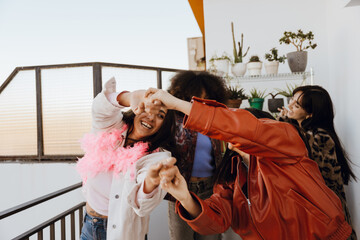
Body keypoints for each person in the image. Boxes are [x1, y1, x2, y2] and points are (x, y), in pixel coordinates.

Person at [145, 84, 353, 240]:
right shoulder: (232, 175)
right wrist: (184, 196)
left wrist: (178, 104)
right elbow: (217, 219)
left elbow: (244, 129)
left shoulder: (286, 141)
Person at [76, 77, 176, 240]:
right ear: (137, 108)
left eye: (160, 115)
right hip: (89, 224)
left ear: (165, 125)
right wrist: (130, 97)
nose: (151, 116)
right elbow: (100, 109)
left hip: (121, 233)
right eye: (147, 108)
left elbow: (142, 205)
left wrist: (150, 183)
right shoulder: (112, 127)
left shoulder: (158, 156)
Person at [278, 85, 357, 239]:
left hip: (325, 212)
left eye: (296, 105)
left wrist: (283, 124)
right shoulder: (302, 132)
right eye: (292, 100)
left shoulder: (319, 137)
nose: (289, 106)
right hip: (317, 210)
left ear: (310, 114)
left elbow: (316, 176)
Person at [165, 71, 228, 240]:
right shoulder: (172, 120)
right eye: (195, 99)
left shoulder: (215, 121)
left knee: (210, 236)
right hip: (181, 190)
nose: (200, 104)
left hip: (211, 190)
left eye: (206, 98)